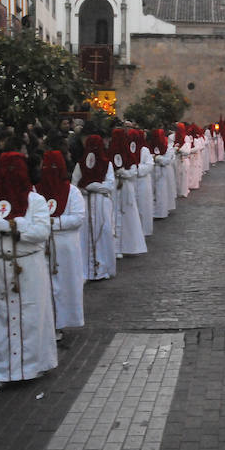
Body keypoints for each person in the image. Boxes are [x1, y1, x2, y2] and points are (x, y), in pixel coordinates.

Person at [0, 152, 56, 396]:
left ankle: (31, 366)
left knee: (31, 316)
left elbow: (41, 230)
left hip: (28, 266)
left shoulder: (36, 201)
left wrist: (12, 226)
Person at [35, 151, 86, 341]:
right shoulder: (35, 191)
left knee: (64, 285)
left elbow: (78, 217)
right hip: (43, 246)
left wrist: (52, 223)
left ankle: (62, 321)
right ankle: (48, 323)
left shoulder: (72, 191)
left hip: (65, 247)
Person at [71, 135, 116, 280]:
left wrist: (95, 186)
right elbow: (74, 184)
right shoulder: (80, 164)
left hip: (101, 202)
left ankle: (102, 267)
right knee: (85, 235)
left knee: (103, 233)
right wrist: (83, 189)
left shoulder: (107, 164)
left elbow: (110, 184)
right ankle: (86, 269)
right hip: (85, 201)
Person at [108, 127, 146, 258]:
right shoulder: (109, 153)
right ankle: (115, 246)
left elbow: (133, 171)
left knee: (126, 215)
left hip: (125, 187)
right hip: (114, 187)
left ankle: (127, 245)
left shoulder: (128, 154)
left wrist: (123, 173)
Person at [131, 129, 154, 236]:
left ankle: (144, 229)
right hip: (131, 181)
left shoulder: (144, 150)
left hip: (142, 181)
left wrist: (136, 168)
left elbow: (149, 165)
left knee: (143, 206)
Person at [150, 128, 174, 219]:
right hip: (153, 171)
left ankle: (161, 212)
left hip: (162, 171)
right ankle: (153, 211)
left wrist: (157, 158)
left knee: (161, 192)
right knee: (153, 192)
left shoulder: (167, 147)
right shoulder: (150, 146)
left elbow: (167, 160)